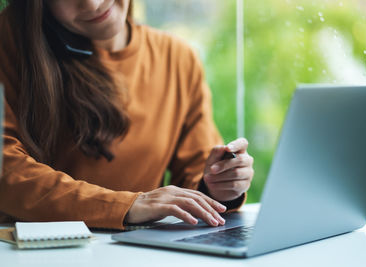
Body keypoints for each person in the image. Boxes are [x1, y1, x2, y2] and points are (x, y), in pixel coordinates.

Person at [0, 0, 254, 230]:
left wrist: (220, 184)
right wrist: (126, 206)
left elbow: (195, 178)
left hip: (135, 251)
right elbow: (6, 170)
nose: (92, 4)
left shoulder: (178, 59)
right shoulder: (11, 42)